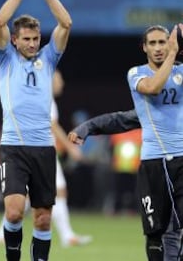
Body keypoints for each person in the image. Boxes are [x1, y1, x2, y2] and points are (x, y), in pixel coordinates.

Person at [71, 23, 183, 261]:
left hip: (181, 161)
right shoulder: (137, 74)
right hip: (153, 165)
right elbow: (152, 89)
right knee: (156, 232)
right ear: (144, 47)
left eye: (163, 42)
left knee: (177, 230)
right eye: (152, 43)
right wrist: (88, 127)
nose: (159, 48)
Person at [0, 0, 72, 261]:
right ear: (14, 40)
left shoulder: (49, 59)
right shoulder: (6, 60)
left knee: (42, 218)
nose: (32, 43)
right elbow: (0, 21)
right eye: (26, 38)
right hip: (13, 146)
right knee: (13, 213)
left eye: (36, 38)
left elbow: (66, 23)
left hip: (43, 148)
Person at [67, 108, 183, 261]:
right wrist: (88, 126)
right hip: (153, 172)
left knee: (173, 231)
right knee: (158, 233)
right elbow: (120, 119)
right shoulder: (155, 110)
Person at [0, 70, 92, 247]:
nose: (61, 83)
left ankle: (3, 231)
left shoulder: (40, 97)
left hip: (41, 152)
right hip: (42, 153)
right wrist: (71, 147)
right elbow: (52, 126)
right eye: (59, 79)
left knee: (40, 194)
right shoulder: (45, 98)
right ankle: (67, 236)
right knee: (54, 192)